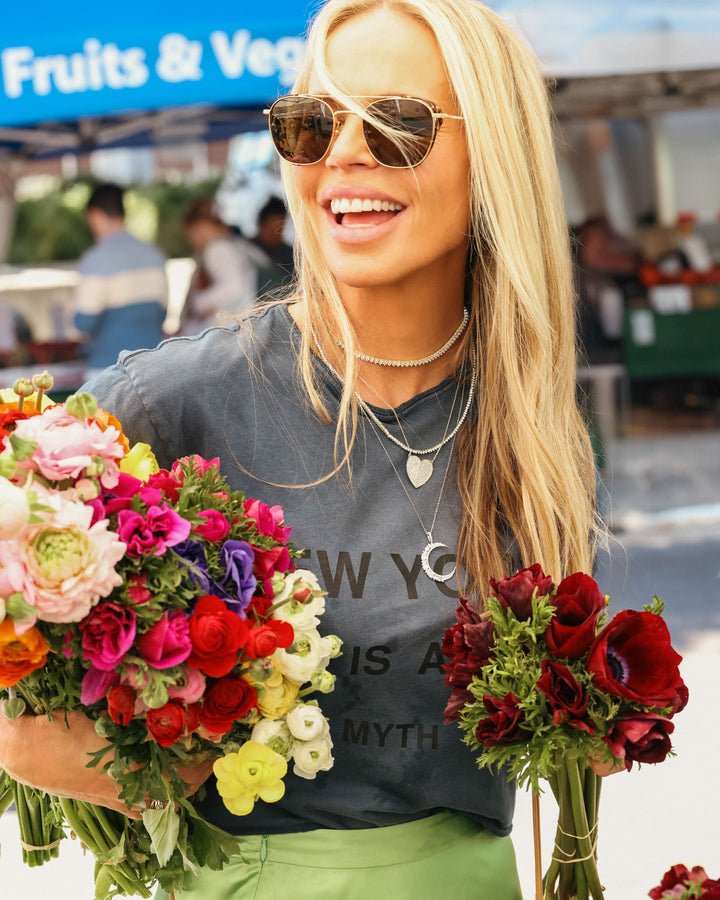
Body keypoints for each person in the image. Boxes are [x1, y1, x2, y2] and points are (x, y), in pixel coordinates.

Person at [0, 1, 601, 897]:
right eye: (312, 124)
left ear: (495, 155)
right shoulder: (176, 400)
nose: (343, 153)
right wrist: (124, 756)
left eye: (396, 121)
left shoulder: (532, 422)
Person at [73, 182, 168, 379]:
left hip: (107, 372)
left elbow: (84, 321)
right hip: (153, 369)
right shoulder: (155, 255)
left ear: (94, 215)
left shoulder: (96, 260)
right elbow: (162, 314)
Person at [178, 197, 271, 334]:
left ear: (199, 226)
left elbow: (234, 287)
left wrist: (199, 303)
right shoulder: (242, 245)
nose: (192, 241)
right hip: (264, 323)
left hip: (242, 330)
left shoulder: (217, 248)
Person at [251, 195, 296, 296]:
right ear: (261, 226)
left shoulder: (290, 254)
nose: (275, 235)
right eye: (271, 230)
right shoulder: (248, 250)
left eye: (279, 230)